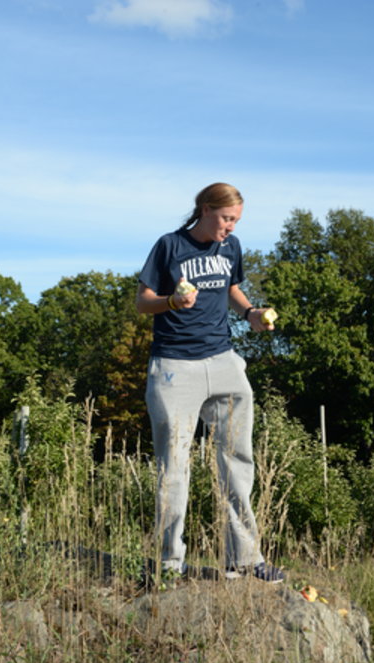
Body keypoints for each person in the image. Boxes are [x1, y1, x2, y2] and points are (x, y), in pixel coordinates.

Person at [136, 182, 284, 583]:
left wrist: (251, 313)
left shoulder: (230, 247)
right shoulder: (169, 246)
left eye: (236, 220)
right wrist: (171, 301)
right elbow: (142, 301)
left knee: (238, 460)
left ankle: (245, 559)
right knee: (174, 466)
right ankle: (169, 565)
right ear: (205, 209)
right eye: (226, 218)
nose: (231, 227)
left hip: (223, 360)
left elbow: (232, 288)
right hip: (174, 366)